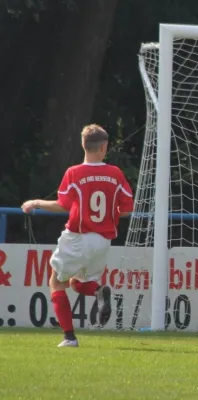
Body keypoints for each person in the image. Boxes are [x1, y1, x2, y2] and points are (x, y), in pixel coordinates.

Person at [21, 124, 134, 348]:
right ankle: (99, 291)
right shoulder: (116, 173)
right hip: (103, 242)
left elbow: (63, 205)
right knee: (78, 283)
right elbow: (127, 209)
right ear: (104, 147)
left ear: (84, 146)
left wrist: (36, 203)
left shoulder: (74, 172)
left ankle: (69, 337)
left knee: (56, 282)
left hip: (78, 237)